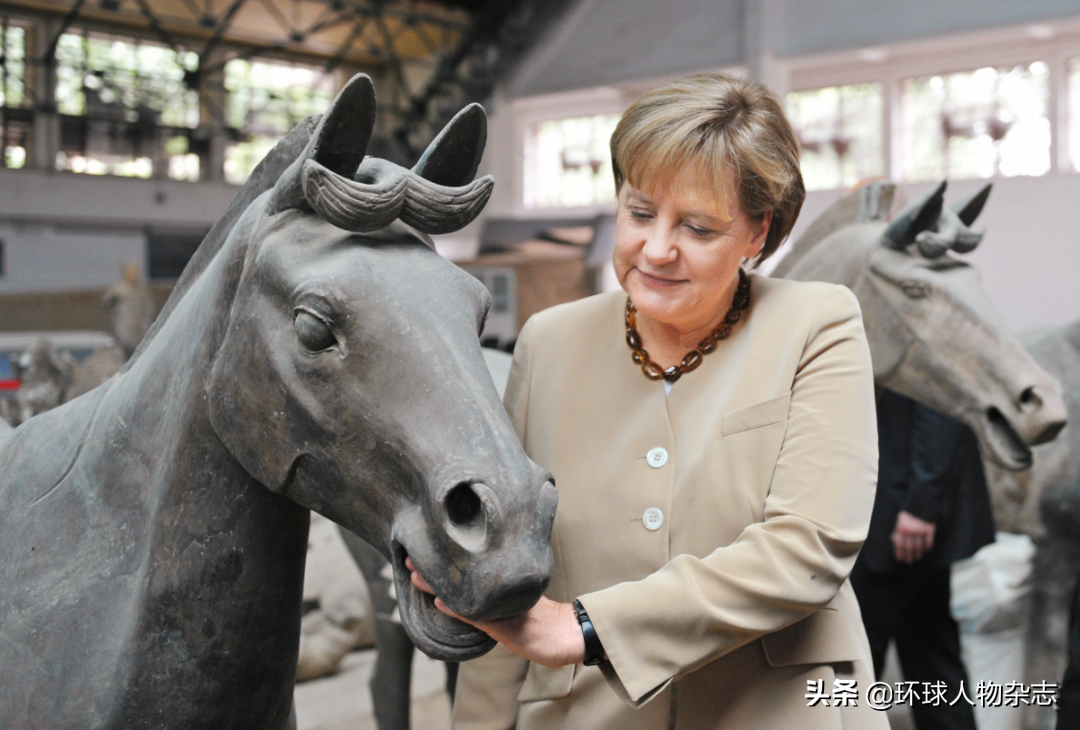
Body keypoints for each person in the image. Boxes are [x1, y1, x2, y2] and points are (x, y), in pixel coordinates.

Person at [411, 73, 885, 729]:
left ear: (758, 232)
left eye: (697, 227)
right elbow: (509, 565)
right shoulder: (549, 343)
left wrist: (582, 627)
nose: (656, 249)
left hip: (777, 709)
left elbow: (808, 548)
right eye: (639, 213)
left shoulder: (816, 324)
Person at [850, 389, 995, 730]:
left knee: (857, 664)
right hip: (899, 502)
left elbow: (938, 399)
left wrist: (921, 504)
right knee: (931, 659)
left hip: (899, 509)